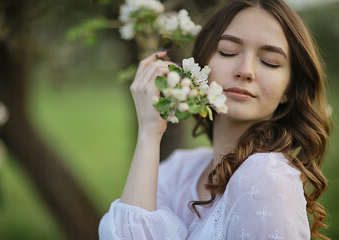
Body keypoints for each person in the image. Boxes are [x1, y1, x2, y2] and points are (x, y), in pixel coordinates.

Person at [99, 0, 332, 239]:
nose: (246, 70)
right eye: (227, 52)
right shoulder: (180, 169)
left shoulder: (266, 178)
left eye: (269, 61)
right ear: (201, 66)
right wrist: (149, 132)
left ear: (289, 90)